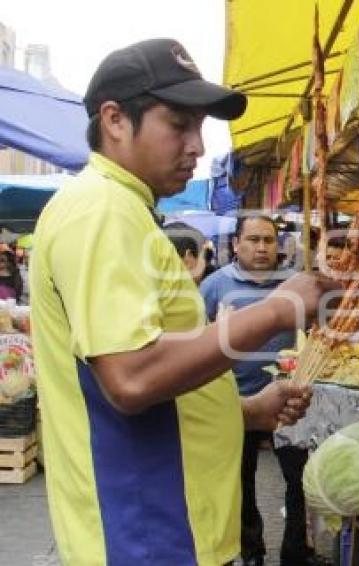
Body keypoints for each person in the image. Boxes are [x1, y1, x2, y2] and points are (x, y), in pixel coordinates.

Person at [30, 39, 337, 565]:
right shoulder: (101, 211)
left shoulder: (121, 209)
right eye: (179, 124)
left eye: (200, 128)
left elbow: (145, 368)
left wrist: (243, 412)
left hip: (165, 530)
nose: (197, 145)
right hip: (149, 532)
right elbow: (131, 379)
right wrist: (276, 311)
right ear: (115, 120)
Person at [200, 214, 313, 565]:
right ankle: (251, 551)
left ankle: (295, 552)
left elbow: (317, 332)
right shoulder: (214, 285)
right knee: (239, 483)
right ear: (236, 244)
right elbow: (197, 342)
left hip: (291, 403)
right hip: (237, 402)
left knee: (300, 481)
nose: (262, 247)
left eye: (269, 240)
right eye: (253, 239)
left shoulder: (296, 284)